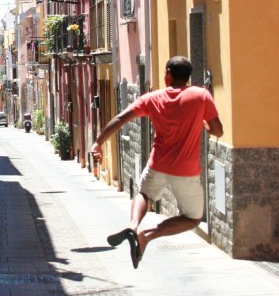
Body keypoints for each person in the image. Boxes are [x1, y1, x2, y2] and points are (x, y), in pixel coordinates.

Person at [91, 56, 223, 268]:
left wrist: (98, 143)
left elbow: (121, 119)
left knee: (144, 194)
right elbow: (218, 130)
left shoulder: (152, 98)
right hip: (187, 171)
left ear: (168, 73)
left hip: (158, 165)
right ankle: (148, 235)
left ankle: (133, 226)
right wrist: (202, 120)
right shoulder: (201, 96)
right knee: (193, 218)